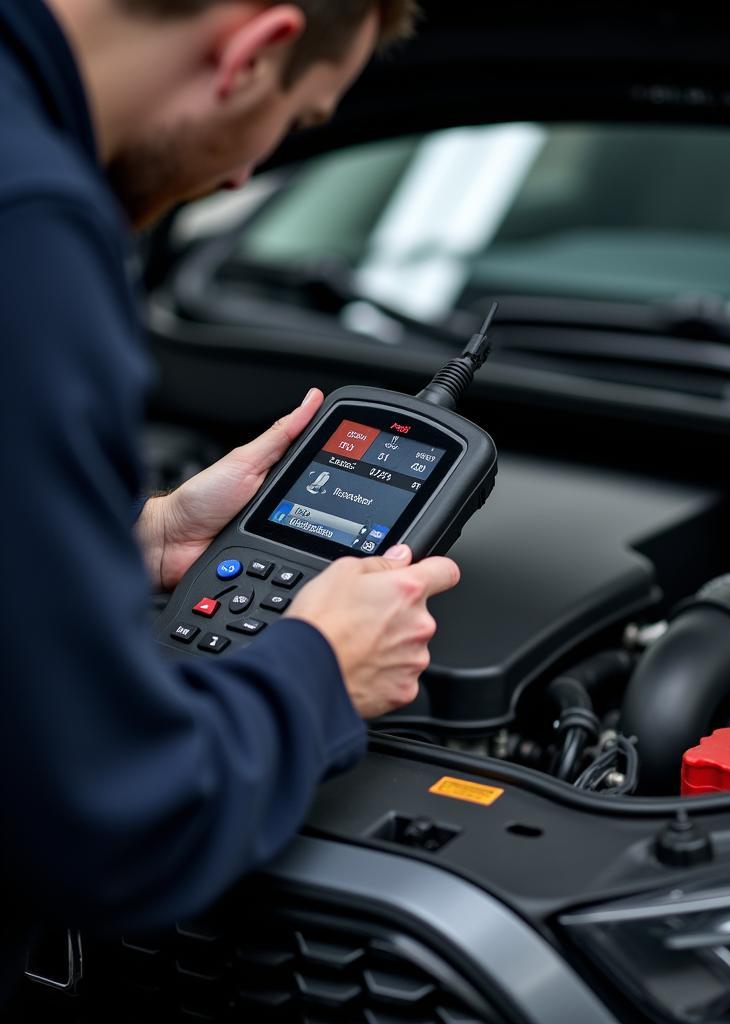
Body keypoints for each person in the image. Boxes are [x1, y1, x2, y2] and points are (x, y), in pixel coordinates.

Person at [0, 0, 455, 998]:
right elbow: (114, 823)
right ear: (256, 53)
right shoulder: (34, 234)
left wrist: (132, 541)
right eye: (297, 124)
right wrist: (321, 669)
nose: (247, 176)